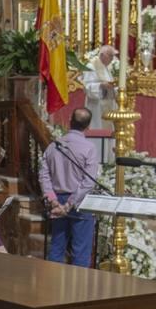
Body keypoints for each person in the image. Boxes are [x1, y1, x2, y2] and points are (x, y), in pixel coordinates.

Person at [38, 107, 100, 267]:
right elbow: (88, 182)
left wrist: (54, 202)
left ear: (70, 122)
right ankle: (78, 290)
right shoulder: (89, 148)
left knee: (57, 249)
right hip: (80, 202)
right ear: (88, 127)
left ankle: (52, 286)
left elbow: (44, 176)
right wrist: (69, 204)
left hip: (58, 201)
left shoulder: (53, 147)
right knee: (80, 252)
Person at [81, 45, 117, 122]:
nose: (112, 59)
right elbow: (87, 87)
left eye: (112, 56)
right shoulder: (91, 66)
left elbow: (110, 84)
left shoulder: (106, 68)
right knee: (97, 128)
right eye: (110, 56)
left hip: (108, 104)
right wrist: (101, 85)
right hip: (96, 106)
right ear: (102, 55)